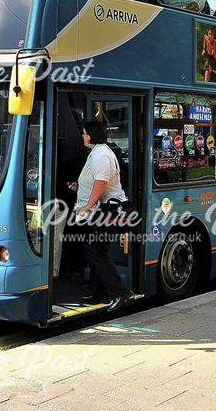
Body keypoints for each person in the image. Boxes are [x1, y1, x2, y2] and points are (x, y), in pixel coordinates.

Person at [67, 120, 135, 311]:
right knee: (96, 250)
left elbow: (102, 182)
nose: (82, 135)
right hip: (102, 210)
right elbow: (95, 182)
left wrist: (88, 205)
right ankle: (101, 293)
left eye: (84, 132)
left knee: (94, 250)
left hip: (109, 211)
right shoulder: (97, 152)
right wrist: (79, 187)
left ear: (91, 135)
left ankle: (121, 293)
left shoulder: (101, 154)